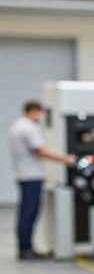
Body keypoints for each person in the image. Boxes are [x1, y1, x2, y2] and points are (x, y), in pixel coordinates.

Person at [8, 100, 74, 260]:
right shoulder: (28, 128)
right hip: (31, 176)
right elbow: (40, 151)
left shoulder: (17, 126)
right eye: (41, 112)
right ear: (34, 111)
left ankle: (26, 247)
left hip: (24, 175)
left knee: (26, 213)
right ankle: (26, 249)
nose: (42, 116)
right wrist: (65, 159)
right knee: (29, 214)